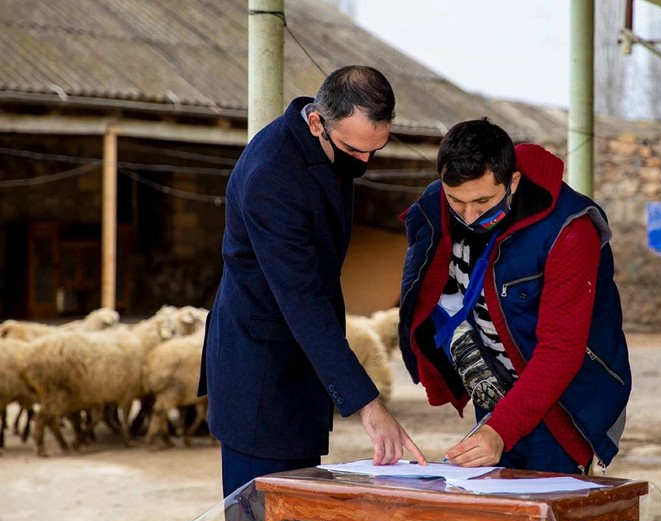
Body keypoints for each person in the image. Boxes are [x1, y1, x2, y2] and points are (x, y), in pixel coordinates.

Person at [198, 65, 426, 498]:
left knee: (299, 514)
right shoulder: (271, 178)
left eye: (374, 151)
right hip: (261, 373)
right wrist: (369, 405)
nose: (363, 163)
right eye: (354, 150)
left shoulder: (328, 143)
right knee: (262, 518)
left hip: (298, 370)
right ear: (318, 122)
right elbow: (301, 298)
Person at [398, 118, 631, 474]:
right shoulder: (435, 206)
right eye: (456, 201)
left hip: (562, 407)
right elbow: (424, 294)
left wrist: (501, 430)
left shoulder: (570, 232)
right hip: (493, 395)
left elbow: (561, 350)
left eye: (483, 201)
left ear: (514, 182)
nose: (470, 216)